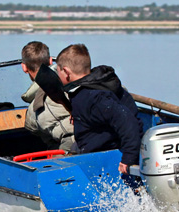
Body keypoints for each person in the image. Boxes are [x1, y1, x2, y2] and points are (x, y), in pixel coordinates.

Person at [55, 43, 143, 174]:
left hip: (106, 156)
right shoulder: (95, 85)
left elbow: (127, 121)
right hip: (94, 143)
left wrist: (129, 158)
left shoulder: (94, 97)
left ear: (66, 72)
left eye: (58, 72)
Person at [19, 41, 74, 152]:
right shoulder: (72, 80)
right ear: (50, 61)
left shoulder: (39, 105)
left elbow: (72, 135)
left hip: (76, 145)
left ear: (24, 67)